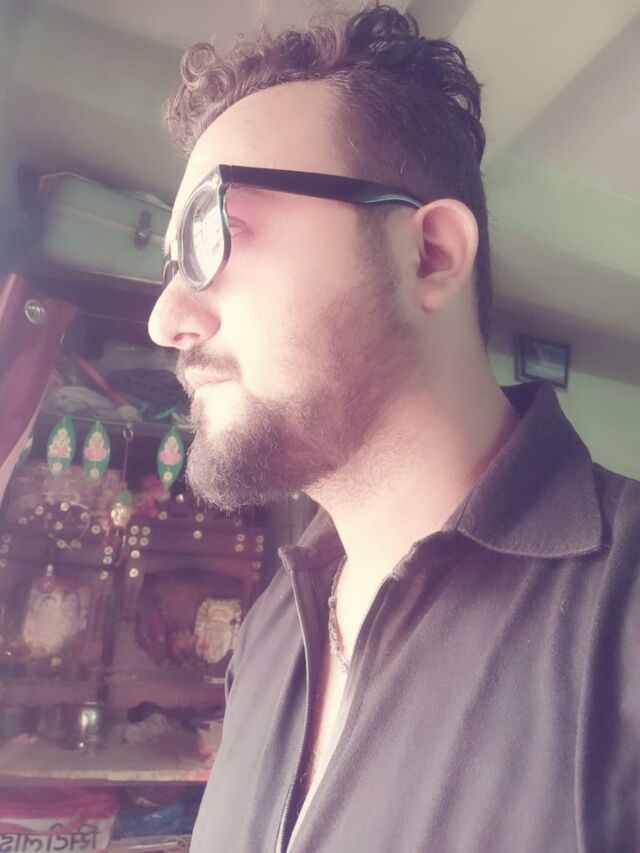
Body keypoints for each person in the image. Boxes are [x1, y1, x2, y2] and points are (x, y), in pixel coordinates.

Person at [147, 4, 639, 851]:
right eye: (168, 264)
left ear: (431, 254)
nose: (165, 318)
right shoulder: (271, 628)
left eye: (212, 229)